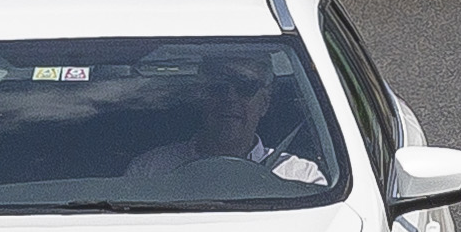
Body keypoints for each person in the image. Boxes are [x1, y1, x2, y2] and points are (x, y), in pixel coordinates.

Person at [128, 55, 328, 185]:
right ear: (202, 97)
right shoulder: (149, 172)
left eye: (245, 87)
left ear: (265, 103)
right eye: (218, 87)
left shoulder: (300, 178)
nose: (230, 98)